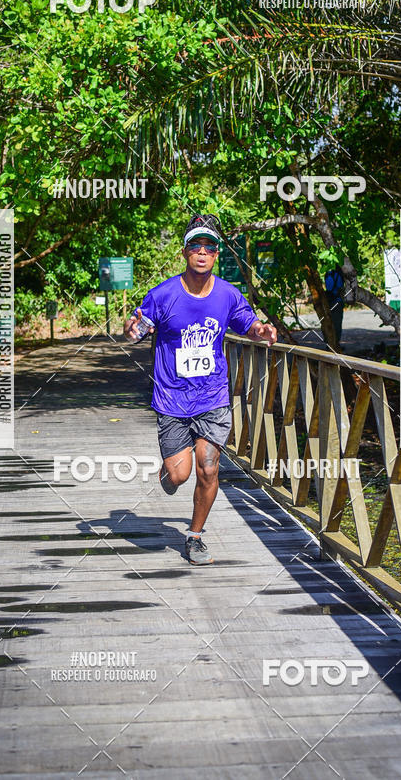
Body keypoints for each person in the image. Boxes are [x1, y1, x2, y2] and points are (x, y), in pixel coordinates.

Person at [123, 214, 277, 565]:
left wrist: (262, 331)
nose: (203, 252)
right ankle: (169, 470)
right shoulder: (163, 294)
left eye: (210, 247)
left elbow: (248, 325)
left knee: (208, 466)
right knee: (180, 474)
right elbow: (138, 327)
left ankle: (194, 538)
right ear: (185, 252)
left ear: (217, 254)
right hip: (171, 396)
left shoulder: (227, 294)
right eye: (196, 246)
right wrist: (132, 328)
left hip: (212, 395)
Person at [324, 265, 345, 344]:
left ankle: (329, 342)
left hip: (328, 302)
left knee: (329, 321)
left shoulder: (327, 274)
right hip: (337, 301)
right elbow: (340, 288)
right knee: (337, 324)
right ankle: (336, 343)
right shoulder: (338, 275)